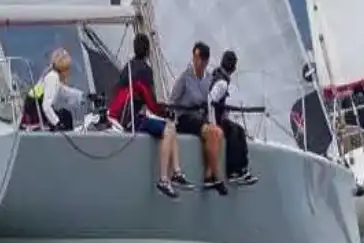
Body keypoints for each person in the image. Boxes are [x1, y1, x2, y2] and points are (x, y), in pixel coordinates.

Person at [106, 35, 188, 198]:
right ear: (148, 51)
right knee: (169, 127)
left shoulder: (128, 67)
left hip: (119, 116)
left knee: (169, 127)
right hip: (130, 120)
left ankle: (177, 173)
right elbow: (150, 101)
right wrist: (166, 113)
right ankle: (165, 178)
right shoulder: (145, 70)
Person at [168, 41, 228, 193]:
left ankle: (209, 175)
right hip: (185, 117)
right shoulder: (185, 77)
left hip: (200, 117)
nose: (196, 61)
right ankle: (216, 177)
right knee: (211, 131)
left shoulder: (208, 79)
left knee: (219, 133)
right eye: (194, 57)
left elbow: (210, 102)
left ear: (206, 61)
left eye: (199, 58)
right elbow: (173, 99)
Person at [206, 49, 257, 185]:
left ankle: (242, 169)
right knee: (234, 132)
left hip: (215, 118)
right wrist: (213, 123)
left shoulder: (217, 75)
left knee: (239, 130)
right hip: (213, 120)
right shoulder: (222, 83)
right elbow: (210, 101)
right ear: (233, 67)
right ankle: (233, 170)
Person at [26, 48, 87, 131]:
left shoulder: (52, 75)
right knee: (66, 116)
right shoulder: (53, 78)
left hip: (36, 113)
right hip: (36, 116)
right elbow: (46, 106)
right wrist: (57, 123)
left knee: (64, 114)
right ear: (64, 69)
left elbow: (64, 90)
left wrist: (82, 95)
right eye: (68, 68)